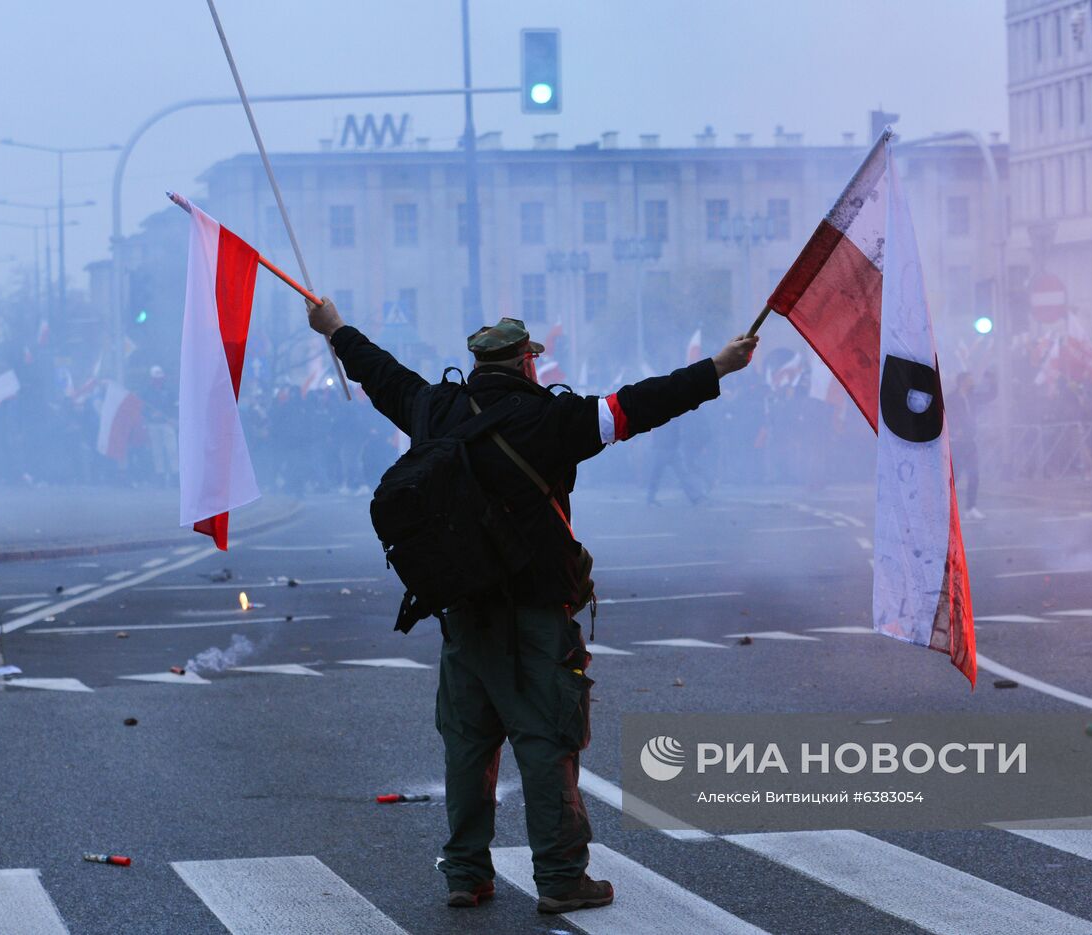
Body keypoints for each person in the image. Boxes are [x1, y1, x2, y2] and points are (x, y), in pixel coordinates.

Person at [305, 296, 756, 915]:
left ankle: (465, 873)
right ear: (526, 364)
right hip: (536, 615)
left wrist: (334, 328)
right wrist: (718, 367)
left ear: (476, 364)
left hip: (463, 614)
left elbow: (380, 373)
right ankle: (562, 877)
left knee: (468, 746)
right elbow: (641, 404)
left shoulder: (433, 408)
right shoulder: (553, 420)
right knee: (546, 743)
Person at [946, 370, 997, 520]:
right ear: (962, 381)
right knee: (955, 475)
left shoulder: (972, 396)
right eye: (970, 379)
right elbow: (947, 416)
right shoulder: (951, 398)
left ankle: (970, 507)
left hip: (969, 441)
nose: (972, 382)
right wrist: (955, 430)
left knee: (974, 474)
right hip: (956, 443)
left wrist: (993, 381)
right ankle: (944, 506)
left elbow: (990, 396)